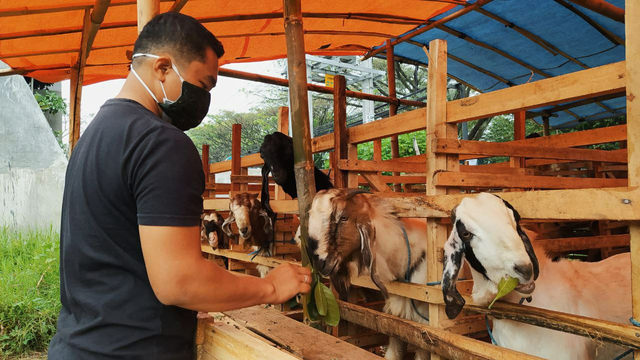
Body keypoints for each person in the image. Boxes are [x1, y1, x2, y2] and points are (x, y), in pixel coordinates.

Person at [48, 12, 311, 360]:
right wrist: (271, 285)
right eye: (203, 86)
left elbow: (118, 252)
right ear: (162, 68)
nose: (203, 100)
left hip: (79, 345)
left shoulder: (92, 138)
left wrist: (195, 301)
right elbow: (179, 281)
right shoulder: (161, 144)